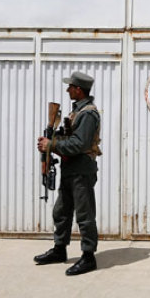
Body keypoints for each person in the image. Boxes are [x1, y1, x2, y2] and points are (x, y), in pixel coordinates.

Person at [34, 71, 101, 276]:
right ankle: (59, 249)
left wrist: (51, 144)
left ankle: (88, 256)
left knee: (84, 215)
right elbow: (71, 140)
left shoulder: (88, 113)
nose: (67, 90)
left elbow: (79, 144)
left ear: (78, 89)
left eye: (70, 87)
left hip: (81, 171)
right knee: (61, 212)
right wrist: (52, 143)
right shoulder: (77, 112)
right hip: (71, 170)